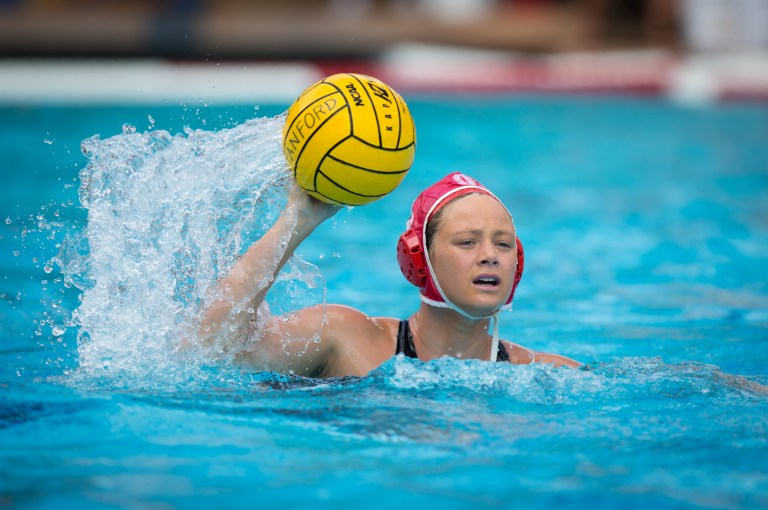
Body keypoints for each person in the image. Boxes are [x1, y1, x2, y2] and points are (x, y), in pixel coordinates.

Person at [198, 172, 580, 377]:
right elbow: (211, 346)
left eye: (503, 244)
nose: (489, 257)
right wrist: (296, 222)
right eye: (466, 242)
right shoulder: (346, 340)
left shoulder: (551, 374)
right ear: (418, 259)